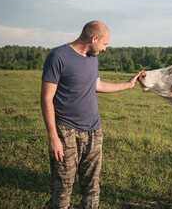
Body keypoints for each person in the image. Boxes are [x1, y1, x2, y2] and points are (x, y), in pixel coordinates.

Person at [40, 20, 143, 209]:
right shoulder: (58, 57)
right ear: (94, 38)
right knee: (63, 189)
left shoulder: (92, 58)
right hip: (65, 131)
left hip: (94, 131)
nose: (104, 49)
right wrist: (53, 137)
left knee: (92, 188)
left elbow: (98, 85)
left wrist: (128, 84)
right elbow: (46, 98)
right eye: (104, 44)